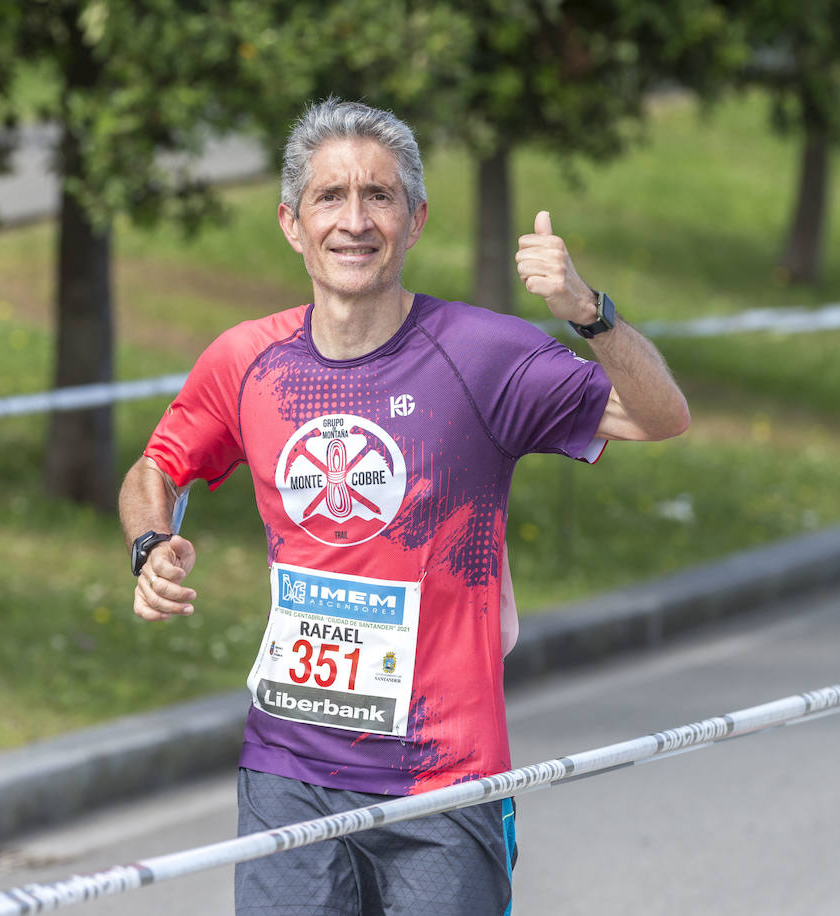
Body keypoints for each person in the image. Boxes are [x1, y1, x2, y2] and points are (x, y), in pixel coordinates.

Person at [118, 97, 689, 915]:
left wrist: (587, 312)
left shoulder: (484, 355)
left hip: (443, 778)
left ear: (416, 220)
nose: (355, 221)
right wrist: (150, 545)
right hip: (290, 770)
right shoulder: (247, 360)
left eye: (379, 196)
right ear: (291, 222)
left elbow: (661, 415)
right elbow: (156, 468)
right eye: (330, 197)